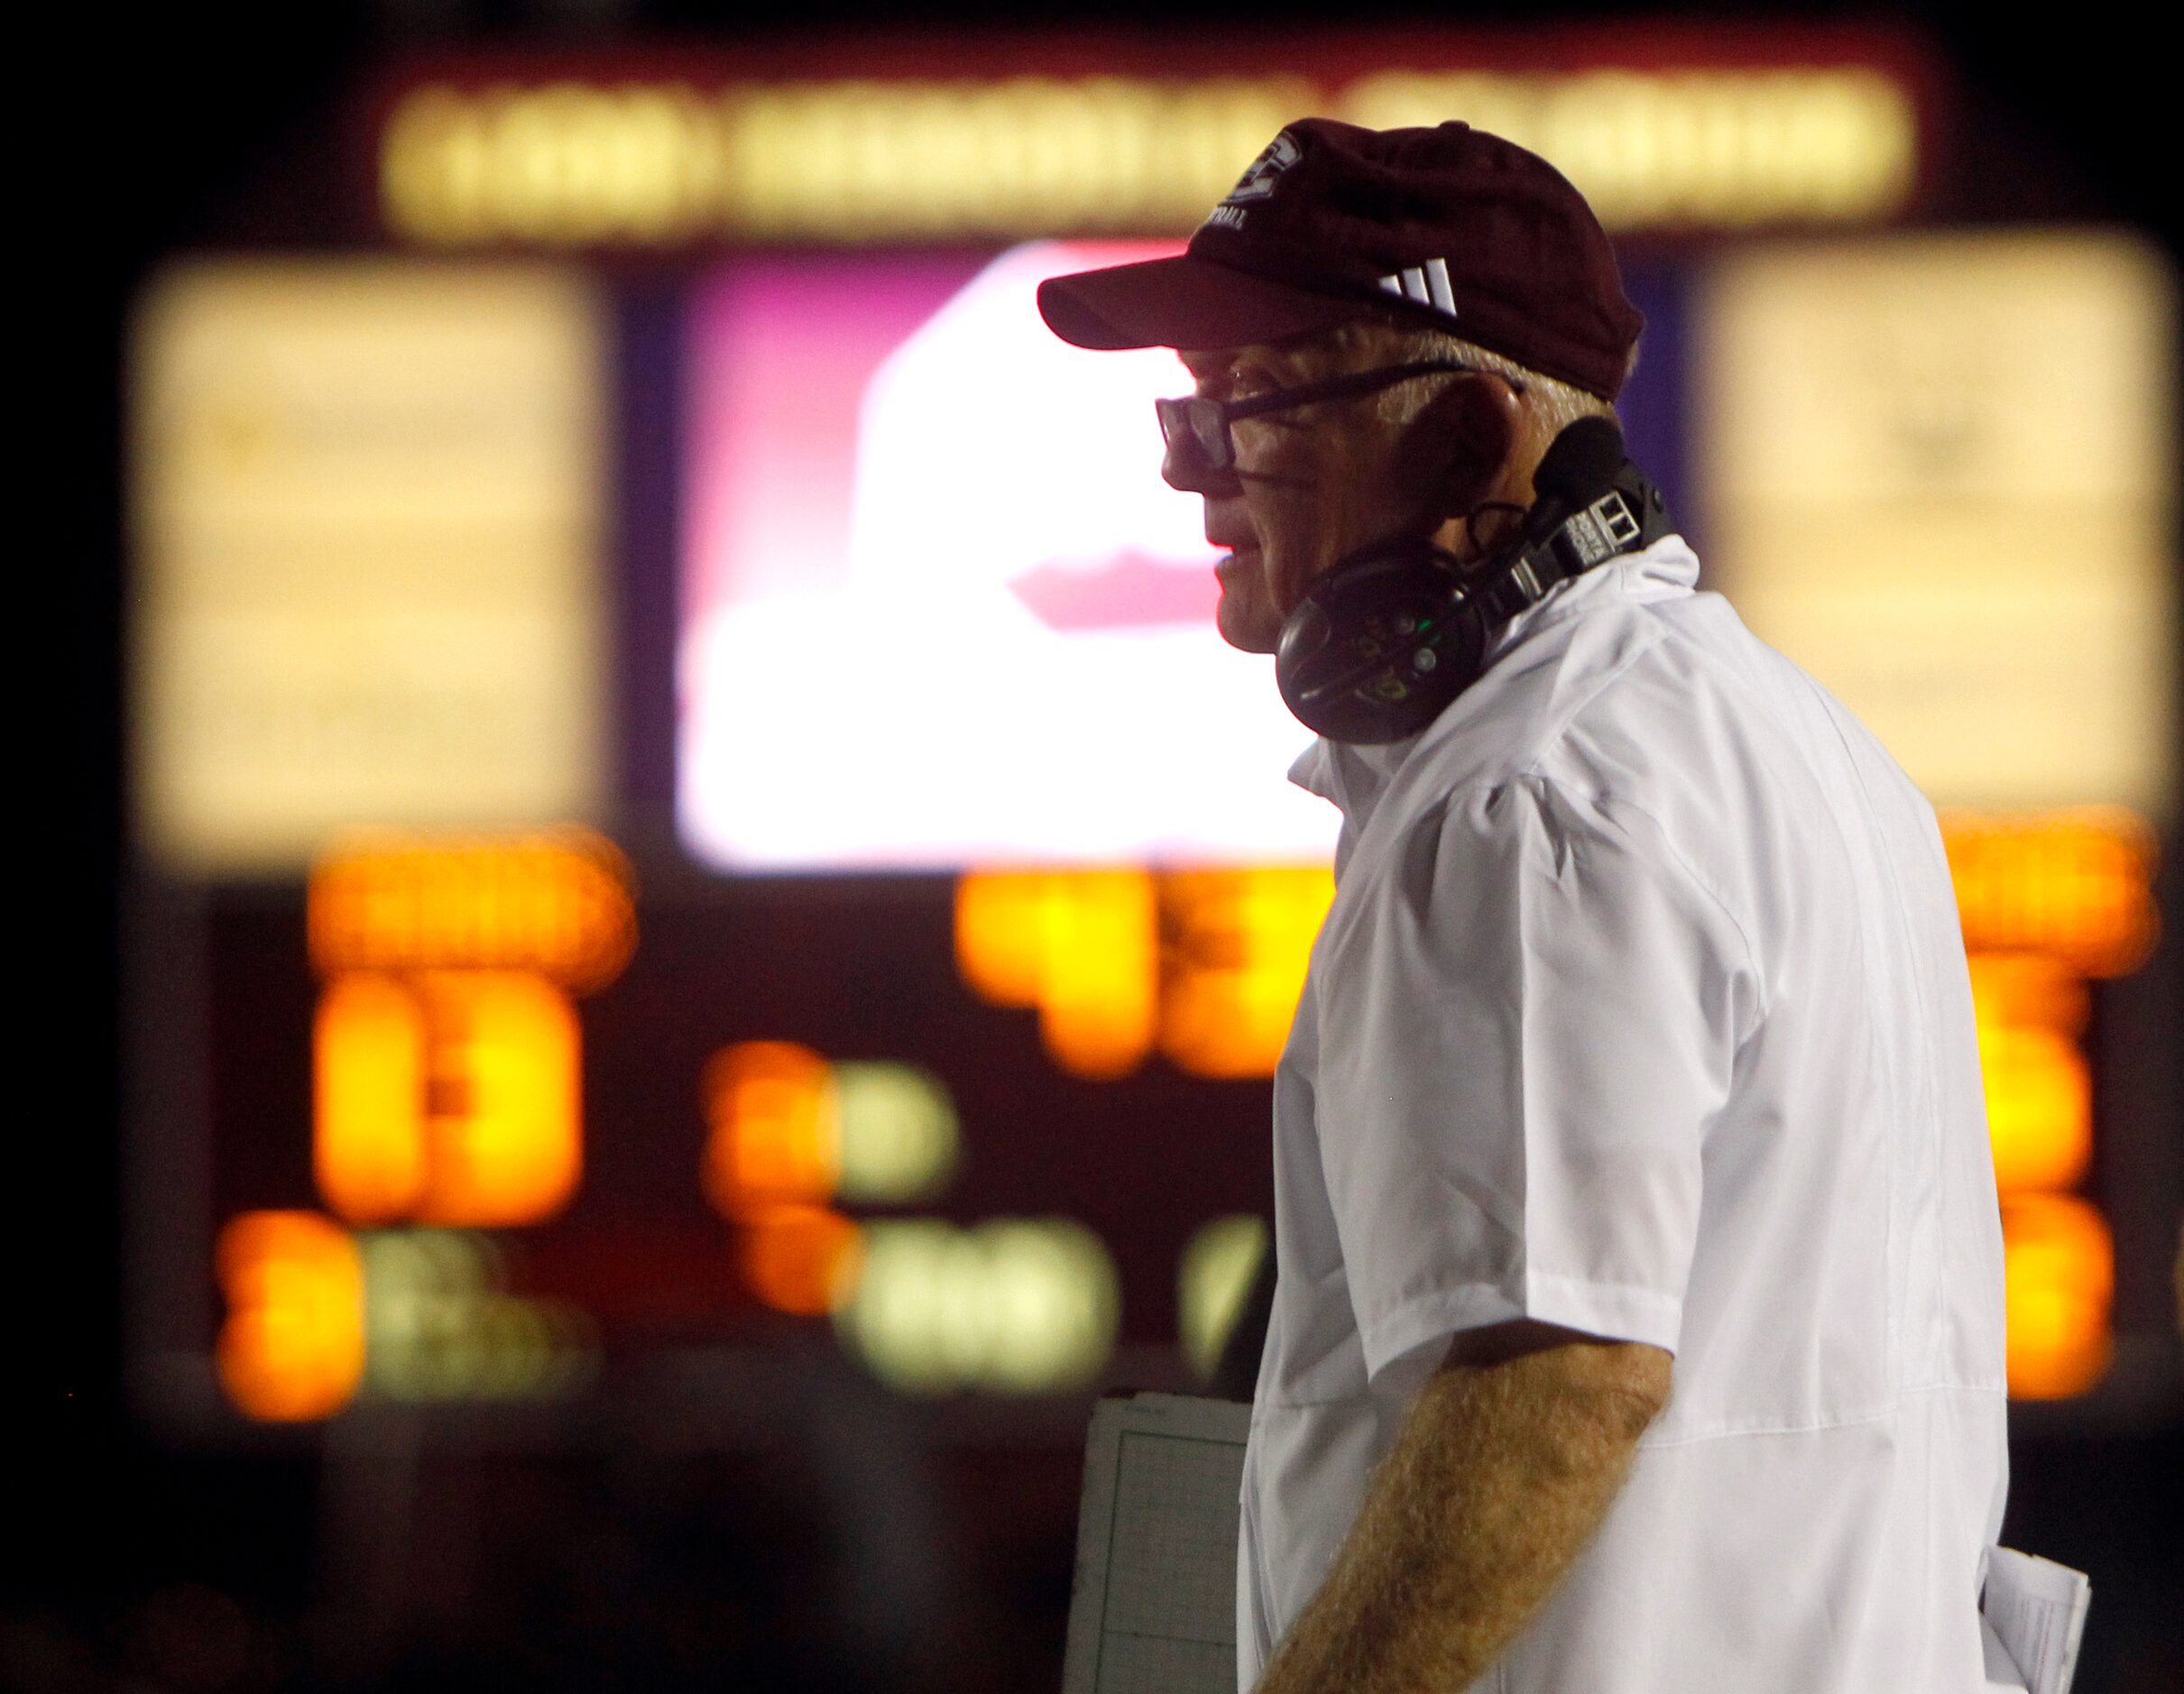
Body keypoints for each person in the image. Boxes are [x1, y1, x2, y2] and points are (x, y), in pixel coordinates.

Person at [1039, 119, 2017, 1691]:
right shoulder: (1799, 742)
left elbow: (1557, 1381)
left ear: (1460, 439)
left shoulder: (1526, 790)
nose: (1184, 465)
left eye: (1254, 402)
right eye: (1190, 405)